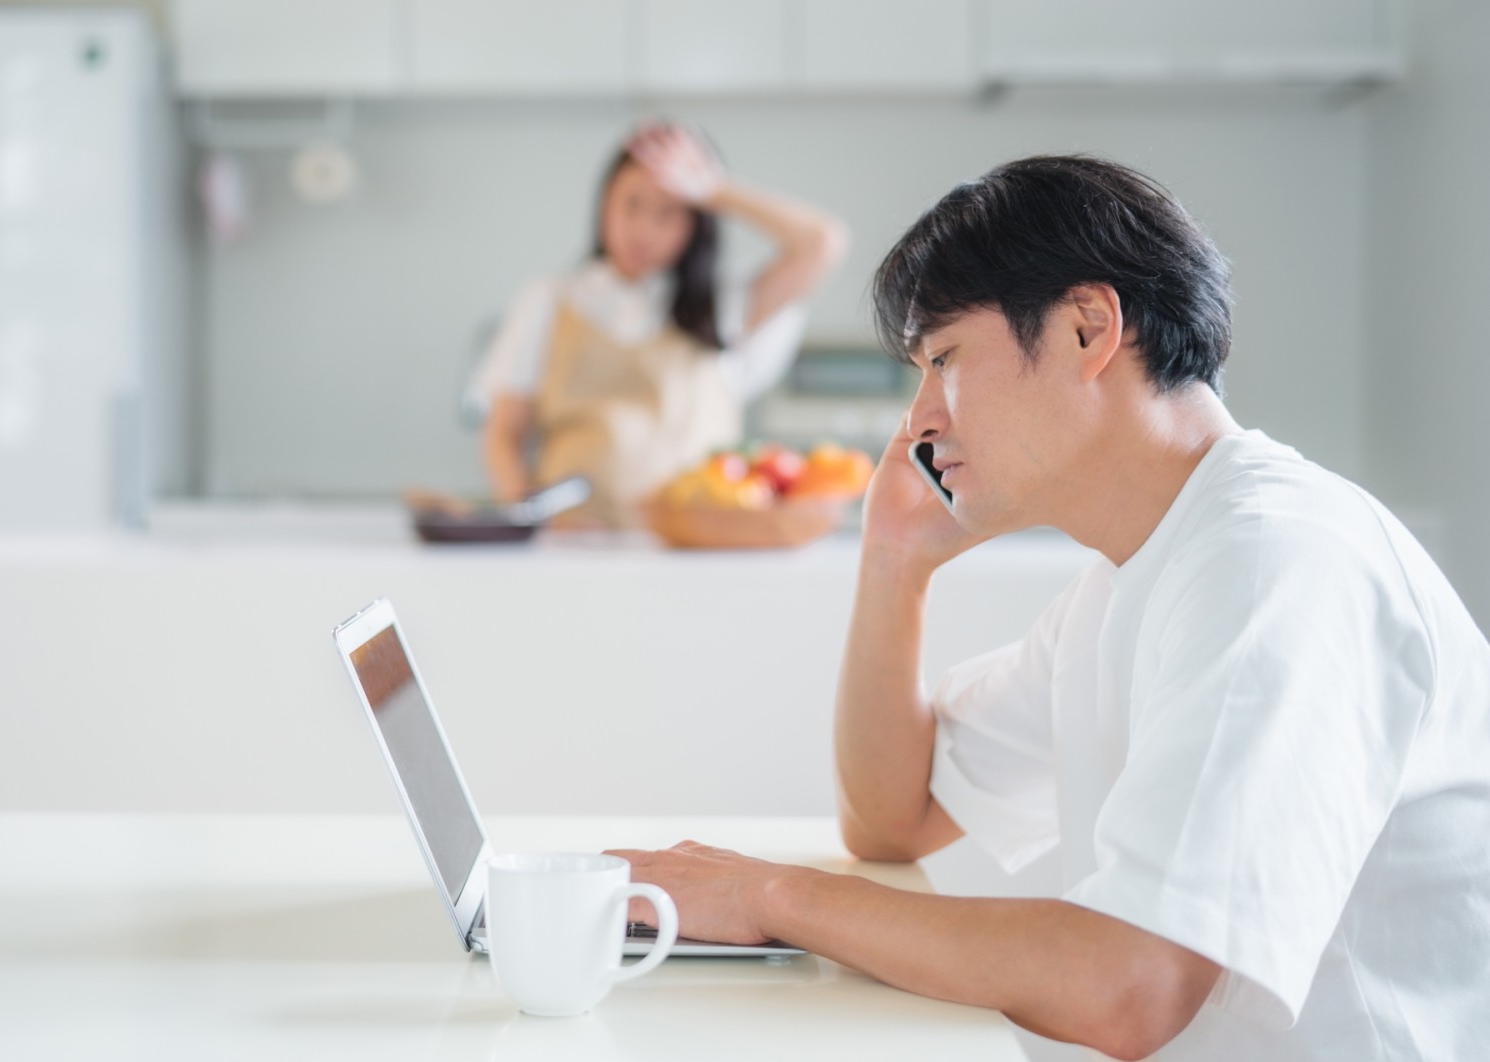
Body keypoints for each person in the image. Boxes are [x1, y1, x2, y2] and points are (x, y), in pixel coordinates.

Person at [610, 156, 1490, 1060]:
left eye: (944, 359)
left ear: (1086, 327)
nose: (917, 422)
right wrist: (894, 561)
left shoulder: (1276, 563)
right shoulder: (1128, 577)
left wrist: (769, 898)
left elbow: (1130, 985)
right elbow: (893, 817)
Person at [473, 122, 847, 527]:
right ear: (604, 204)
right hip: (574, 546)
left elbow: (823, 242)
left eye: (668, 211)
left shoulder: (723, 304)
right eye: (631, 204)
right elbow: (505, 434)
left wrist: (715, 190)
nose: (644, 229)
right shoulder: (550, 299)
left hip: (699, 546)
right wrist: (526, 516)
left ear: (695, 223)